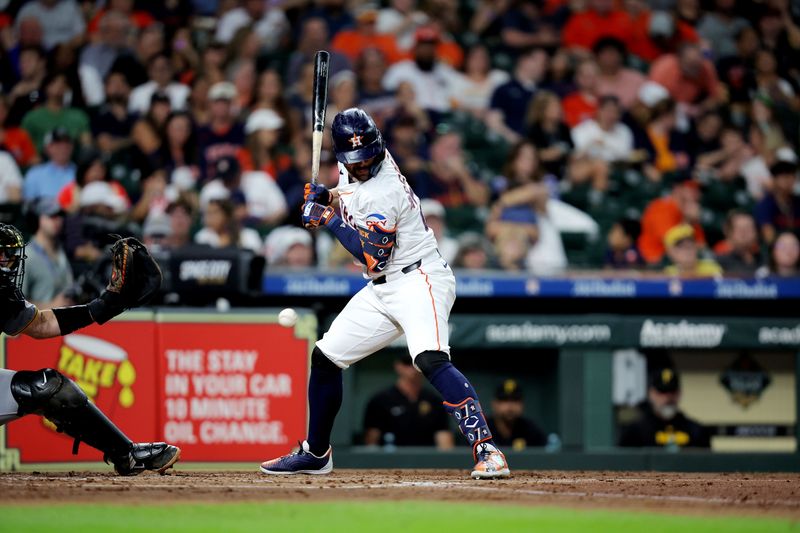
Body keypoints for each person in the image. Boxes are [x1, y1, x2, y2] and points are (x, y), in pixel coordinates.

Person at [259, 108, 510, 479]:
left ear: (379, 148)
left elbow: (373, 256)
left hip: (418, 278)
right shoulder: (356, 168)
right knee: (326, 357)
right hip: (383, 288)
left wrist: (327, 217)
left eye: (368, 159)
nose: (363, 166)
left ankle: (488, 450)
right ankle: (316, 453)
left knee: (430, 359)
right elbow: (351, 191)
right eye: (354, 162)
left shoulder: (385, 187)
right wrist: (329, 195)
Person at [0, 223, 180, 474]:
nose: (8, 262)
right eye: (2, 255)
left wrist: (103, 306)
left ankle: (126, 454)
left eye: (8, 255)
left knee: (49, 386)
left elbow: (40, 324)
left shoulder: (2, 292)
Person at [363, 355, 455, 450]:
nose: (412, 368)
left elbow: (445, 441)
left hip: (426, 461)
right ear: (398, 366)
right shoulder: (381, 400)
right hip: (390, 460)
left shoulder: (434, 400)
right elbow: (371, 442)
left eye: (417, 364)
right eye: (407, 363)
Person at [619, 367, 711, 448]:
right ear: (651, 394)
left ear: (679, 394)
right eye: (662, 392)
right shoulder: (635, 432)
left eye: (672, 392)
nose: (667, 398)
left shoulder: (696, 431)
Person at [21, 197, 73, 309]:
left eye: (59, 216)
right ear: (37, 218)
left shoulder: (61, 251)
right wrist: (50, 306)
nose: (58, 220)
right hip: (37, 324)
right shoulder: (24, 256)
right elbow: (13, 304)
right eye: (51, 216)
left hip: (63, 322)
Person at [486, 379, 547, 451]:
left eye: (515, 400)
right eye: (505, 400)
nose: (510, 406)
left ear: (522, 404)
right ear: (494, 404)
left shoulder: (531, 430)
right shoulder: (482, 428)